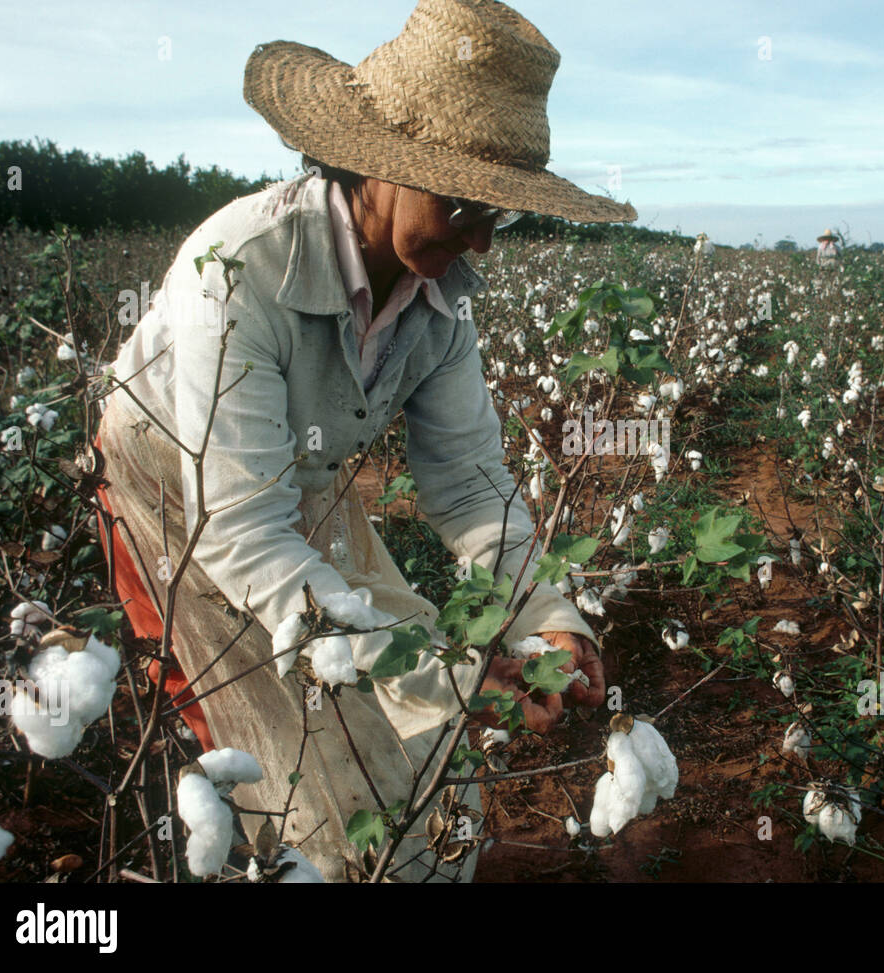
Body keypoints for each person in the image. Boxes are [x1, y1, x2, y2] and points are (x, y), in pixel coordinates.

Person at [91, 0, 635, 882]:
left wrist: (548, 620)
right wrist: (446, 676)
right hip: (178, 494)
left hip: (293, 486)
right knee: (301, 762)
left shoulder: (443, 302)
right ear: (380, 165)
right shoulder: (244, 266)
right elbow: (239, 532)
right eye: (465, 202)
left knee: (412, 740)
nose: (484, 238)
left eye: (505, 211)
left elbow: (467, 485)